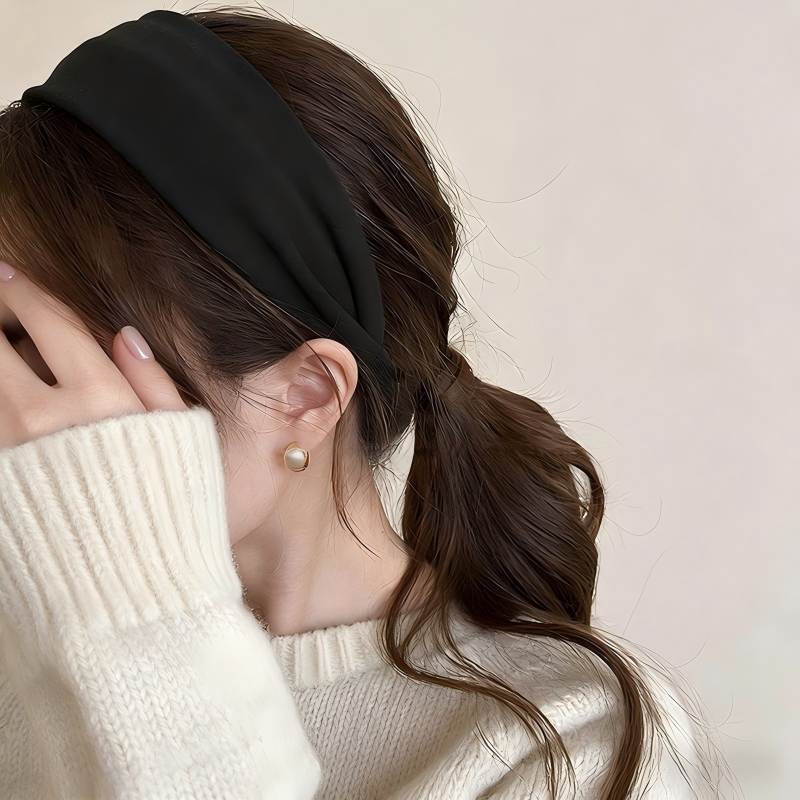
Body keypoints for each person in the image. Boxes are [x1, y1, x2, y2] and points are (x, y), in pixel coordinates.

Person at [0, 7, 733, 799]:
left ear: (305, 396)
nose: (16, 402)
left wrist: (135, 630)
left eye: (33, 346)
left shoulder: (569, 742)